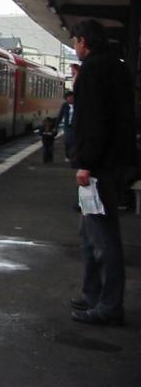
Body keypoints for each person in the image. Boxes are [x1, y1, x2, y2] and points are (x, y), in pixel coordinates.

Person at [70, 19, 135, 326]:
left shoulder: (95, 70)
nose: (74, 47)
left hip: (100, 167)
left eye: (75, 42)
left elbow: (94, 122)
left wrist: (86, 163)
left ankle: (108, 306)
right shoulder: (118, 66)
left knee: (102, 237)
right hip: (112, 163)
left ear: (84, 41)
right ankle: (93, 296)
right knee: (90, 233)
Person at [56, 91, 75, 163]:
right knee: (67, 141)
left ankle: (73, 156)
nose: (70, 99)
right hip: (67, 126)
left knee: (74, 142)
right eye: (68, 98)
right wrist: (56, 125)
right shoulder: (64, 105)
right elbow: (60, 115)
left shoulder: (78, 105)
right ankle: (67, 156)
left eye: (72, 97)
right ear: (66, 98)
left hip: (75, 126)